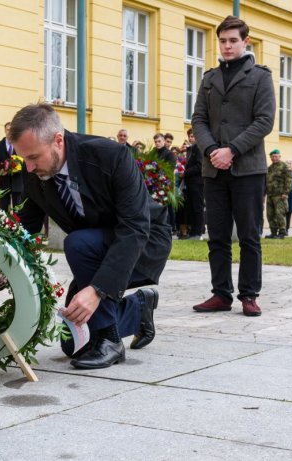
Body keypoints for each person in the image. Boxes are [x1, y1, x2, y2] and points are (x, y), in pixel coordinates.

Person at [10, 103, 172, 369]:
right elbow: (26, 231)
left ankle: (110, 341)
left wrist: (97, 291)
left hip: (144, 241)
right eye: (24, 159)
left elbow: (135, 228)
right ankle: (138, 308)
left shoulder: (111, 156)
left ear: (58, 140)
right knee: (72, 344)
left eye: (34, 157)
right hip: (97, 248)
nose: (28, 168)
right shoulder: (35, 175)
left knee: (77, 243)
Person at [190, 15, 275, 317]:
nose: (227, 46)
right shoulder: (209, 78)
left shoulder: (260, 76)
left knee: (250, 236)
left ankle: (249, 294)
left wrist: (232, 150)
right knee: (218, 236)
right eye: (223, 41)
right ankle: (220, 293)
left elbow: (264, 121)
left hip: (248, 169)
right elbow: (198, 119)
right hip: (213, 169)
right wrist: (212, 149)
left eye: (232, 41)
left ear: (245, 41)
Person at [0, 122, 24, 211]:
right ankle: (5, 224)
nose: (10, 132)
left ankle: (17, 225)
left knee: (18, 210)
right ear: (5, 130)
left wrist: (19, 167)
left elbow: (25, 161)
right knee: (4, 210)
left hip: (18, 183)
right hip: (4, 183)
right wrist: (0, 169)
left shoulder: (20, 145)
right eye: (8, 129)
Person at [265, 149, 292, 239]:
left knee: (280, 213)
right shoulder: (270, 168)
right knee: (270, 214)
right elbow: (267, 181)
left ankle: (282, 232)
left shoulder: (284, 166)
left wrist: (286, 192)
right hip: (270, 195)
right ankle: (273, 232)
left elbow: (288, 180)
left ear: (279, 156)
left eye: (276, 156)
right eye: (272, 156)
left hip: (280, 194)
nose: (274, 158)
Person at [183, 128, 205, 239]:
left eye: (193, 136)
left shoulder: (199, 147)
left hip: (197, 182)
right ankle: (193, 231)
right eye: (190, 136)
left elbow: (199, 166)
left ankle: (198, 231)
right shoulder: (191, 149)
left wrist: (185, 172)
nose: (191, 138)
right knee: (191, 207)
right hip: (190, 182)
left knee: (197, 207)